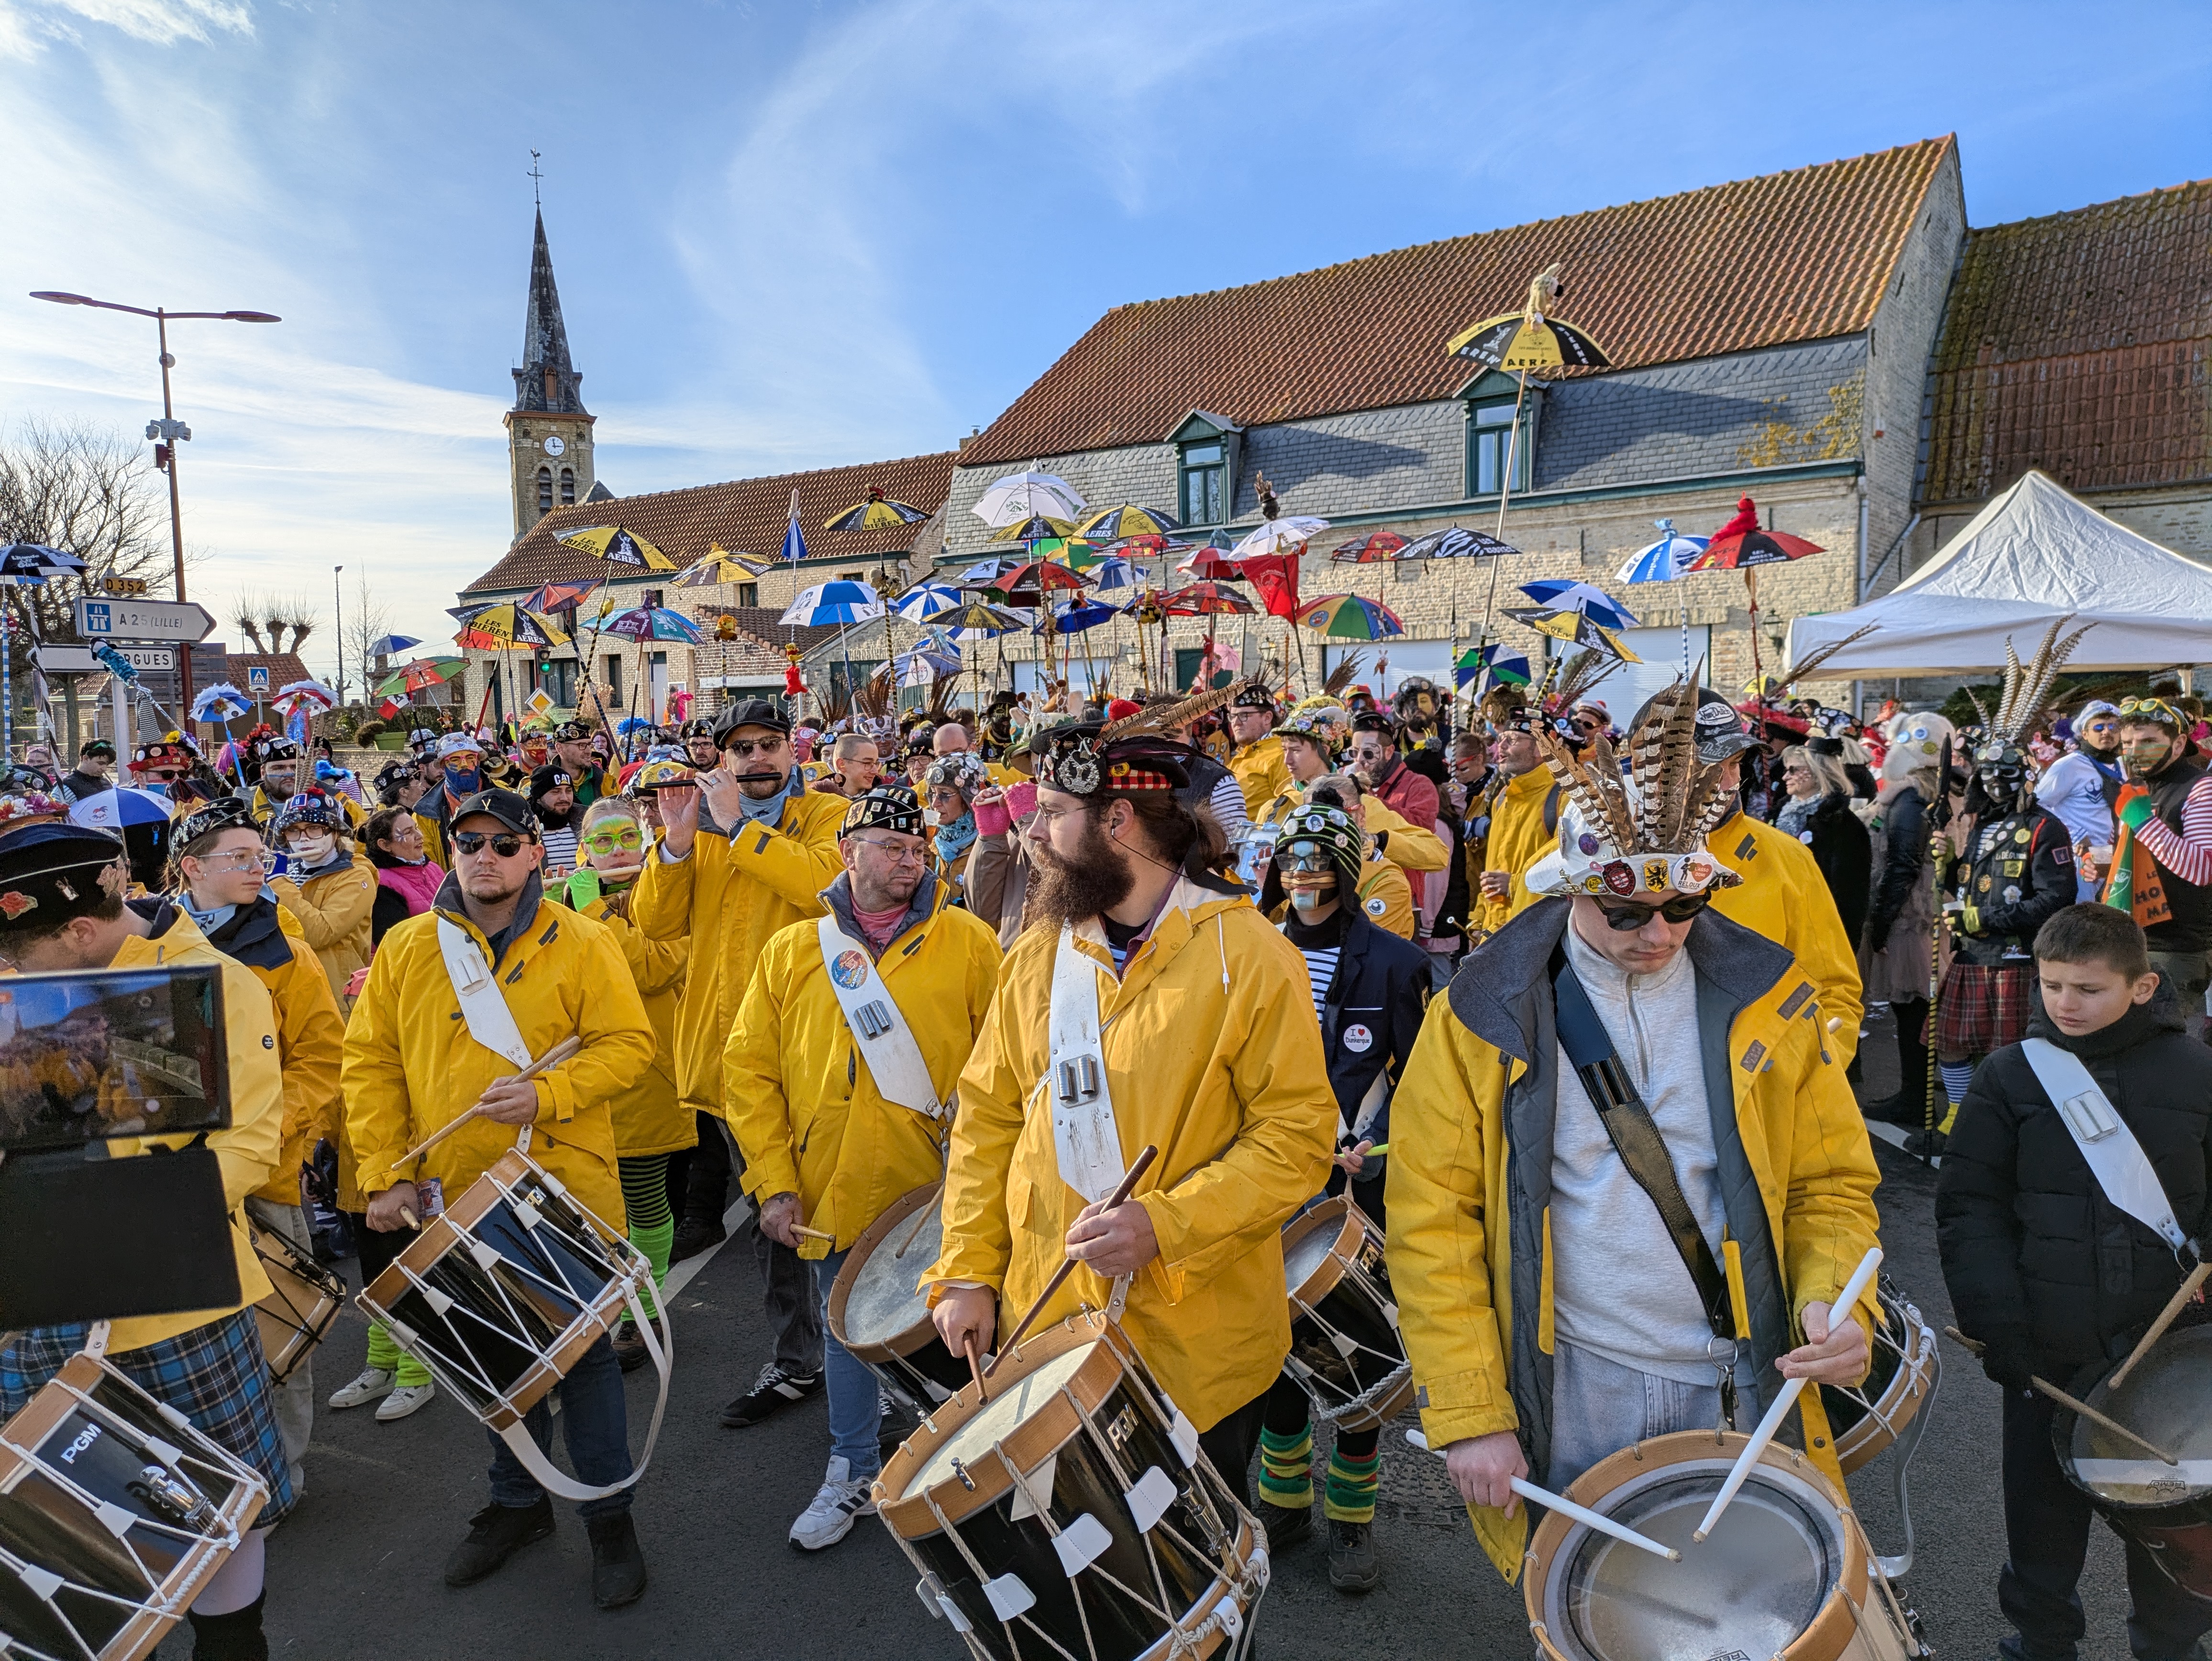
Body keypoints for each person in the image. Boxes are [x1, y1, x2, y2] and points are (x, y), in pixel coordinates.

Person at [1387, 687, 1882, 1584]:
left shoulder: (1773, 999)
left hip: (1745, 1372)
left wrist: (1836, 1300)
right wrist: (1470, 1411)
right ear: (1570, 888)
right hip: (1572, 1380)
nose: (1657, 934)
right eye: (1624, 913)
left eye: (1681, 907)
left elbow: (1829, 1183)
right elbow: (1433, 1223)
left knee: (1750, 1617)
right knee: (1593, 1618)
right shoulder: (1474, 1016)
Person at [926, 720, 1337, 1533]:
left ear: (1117, 820)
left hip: (1197, 1351)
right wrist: (966, 1270)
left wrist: (1164, 1224)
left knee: (1195, 1565)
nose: (1032, 834)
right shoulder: (1038, 952)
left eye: (1052, 814)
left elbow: (1295, 1140)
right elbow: (987, 1120)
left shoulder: (1251, 956)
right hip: (1047, 1335)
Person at [344, 787, 657, 1609]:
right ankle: (517, 1504)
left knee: (584, 1361)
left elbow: (630, 1047)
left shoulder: (583, 941)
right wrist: (383, 1172)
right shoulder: (408, 946)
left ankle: (609, 1519)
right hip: (453, 1189)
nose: (486, 856)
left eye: (504, 843)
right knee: (493, 1359)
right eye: (470, 842)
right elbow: (371, 1064)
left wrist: (548, 1094)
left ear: (533, 854)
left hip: (561, 1188)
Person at [0, 823, 293, 1661]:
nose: (10, 970)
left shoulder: (216, 982)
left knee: (217, 1506)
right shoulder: (19, 986)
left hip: (174, 1297)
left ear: (78, 930)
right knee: (63, 1521)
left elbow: (250, 1144)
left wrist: (117, 1219)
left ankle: (233, 1644)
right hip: (35, 1301)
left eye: (19, 953)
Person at [725, 786, 1003, 1548]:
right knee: (846, 1330)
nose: (910, 861)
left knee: (964, 1331)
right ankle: (852, 1468)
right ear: (849, 852)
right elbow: (749, 1073)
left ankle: (975, 1469)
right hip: (830, 1183)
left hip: (941, 1183)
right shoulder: (793, 950)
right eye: (892, 847)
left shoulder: (968, 940)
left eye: (918, 849)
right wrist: (774, 1183)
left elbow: (1009, 1058)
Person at [1936, 904, 2212, 1661]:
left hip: (2168, 1346)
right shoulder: (2009, 1075)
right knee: (2041, 1516)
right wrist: (1997, 1321)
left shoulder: (2197, 1073)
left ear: (2143, 987)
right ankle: (2041, 1640)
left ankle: (2170, 1645)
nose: (2065, 1003)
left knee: (2173, 1509)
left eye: (2088, 989)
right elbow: (1971, 1208)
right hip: (2045, 1340)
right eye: (2052, 985)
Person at [629, 698, 847, 1428]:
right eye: (742, 748)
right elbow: (655, 924)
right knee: (769, 1218)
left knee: (838, 1209)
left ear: (792, 752)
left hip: (813, 1054)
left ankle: (870, 1357)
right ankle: (797, 1360)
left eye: (769, 745)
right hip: (730, 1063)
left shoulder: (825, 814)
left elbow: (824, 888)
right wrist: (675, 844)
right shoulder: (704, 830)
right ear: (722, 759)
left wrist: (740, 828)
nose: (756, 758)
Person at [1250, 800, 1429, 1591]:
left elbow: (1420, 1079)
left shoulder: (1395, 963)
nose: (1303, 875)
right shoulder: (1251, 950)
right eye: (1291, 860)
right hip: (1266, 1185)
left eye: (1319, 861)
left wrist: (1376, 1145)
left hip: (1356, 1185)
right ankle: (1282, 1500)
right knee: (1273, 1356)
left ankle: (1352, 1521)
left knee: (1357, 1354)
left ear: (1348, 873)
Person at [171, 798, 347, 1485]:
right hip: (173, 1177)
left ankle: (283, 1474)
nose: (259, 868)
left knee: (281, 1329)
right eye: (240, 857)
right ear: (191, 868)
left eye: (261, 856)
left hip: (265, 1176)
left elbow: (322, 1060)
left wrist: (269, 1135)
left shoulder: (288, 953)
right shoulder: (146, 949)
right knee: (186, 1335)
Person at [559, 797, 693, 1371]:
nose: (617, 851)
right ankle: (602, 1307)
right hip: (578, 1072)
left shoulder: (671, 892)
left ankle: (647, 1310)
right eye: (602, 841)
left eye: (626, 838)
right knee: (586, 1203)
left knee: (642, 1196)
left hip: (649, 1070)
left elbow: (655, 968)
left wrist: (598, 914)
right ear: (584, 850)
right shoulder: (562, 899)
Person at [1933, 725, 2076, 1155]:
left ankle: (2009, 1130)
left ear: (2026, 776)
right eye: (1989, 772)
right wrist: (1949, 865)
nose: (1997, 781)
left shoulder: (2046, 827)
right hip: (1971, 955)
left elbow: (2056, 899)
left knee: (2009, 1054)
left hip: (2015, 959)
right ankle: (1960, 1115)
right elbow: (1971, 887)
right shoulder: (1981, 822)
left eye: (2007, 773)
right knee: (1951, 1042)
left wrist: (1985, 918)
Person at [1860, 718, 1951, 1128]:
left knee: (1912, 1008)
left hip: (1911, 919)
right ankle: (1920, 1090)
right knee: (1920, 1008)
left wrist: (1880, 924)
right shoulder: (1935, 795)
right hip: (1927, 914)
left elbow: (1902, 865)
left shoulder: (1911, 800)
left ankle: (1916, 1098)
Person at [2109, 696, 2212, 1035]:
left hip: (2179, 946)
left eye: (2148, 741)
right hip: (2135, 938)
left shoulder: (2202, 788)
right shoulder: (2140, 787)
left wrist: (2143, 822)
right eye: (2128, 743)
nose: (2135, 751)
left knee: (2165, 1043)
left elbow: (2203, 870)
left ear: (2179, 744)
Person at [270, 786, 376, 1012]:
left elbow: (321, 934)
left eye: (314, 828)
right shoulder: (287, 873)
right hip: (290, 990)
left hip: (335, 997)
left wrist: (278, 883)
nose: (303, 839)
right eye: (293, 831)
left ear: (335, 832)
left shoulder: (356, 875)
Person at [1777, 740, 1872, 950]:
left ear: (1817, 771)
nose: (1785, 777)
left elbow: (1849, 897)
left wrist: (1841, 949)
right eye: (1786, 770)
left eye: (1793, 770)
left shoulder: (1841, 824)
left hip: (1814, 933)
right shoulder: (1779, 813)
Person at [1473, 693, 1553, 938]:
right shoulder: (1503, 797)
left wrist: (1515, 884)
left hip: (1536, 935)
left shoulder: (1563, 799)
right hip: (1492, 934)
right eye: (1502, 739)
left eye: (1514, 739)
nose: (1502, 747)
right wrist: (1478, 920)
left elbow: (1573, 871)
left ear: (1541, 748)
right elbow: (1492, 871)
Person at [2034, 699, 2124, 876]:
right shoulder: (2069, 765)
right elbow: (2038, 804)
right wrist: (2077, 836)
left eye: (2113, 727)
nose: (2107, 732)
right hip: (2085, 857)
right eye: (2099, 727)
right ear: (2084, 734)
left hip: (2118, 854)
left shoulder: (2122, 765)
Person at [363, 804, 445, 952]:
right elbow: (397, 945)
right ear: (385, 845)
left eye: (416, 828)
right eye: (408, 832)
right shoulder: (381, 884)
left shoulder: (433, 868)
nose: (420, 836)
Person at [922, 750, 987, 902]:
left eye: (945, 794)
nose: (935, 803)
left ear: (967, 797)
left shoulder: (990, 842)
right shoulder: (927, 840)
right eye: (933, 793)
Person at [1225, 683, 1290, 819]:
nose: (1236, 723)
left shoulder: (1281, 754)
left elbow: (1289, 808)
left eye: (1244, 715)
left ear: (1267, 718)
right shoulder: (1243, 753)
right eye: (1233, 716)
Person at [531, 764, 583, 878]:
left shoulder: (585, 820)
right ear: (538, 797)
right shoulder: (524, 826)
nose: (564, 798)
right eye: (556, 792)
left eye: (569, 791)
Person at [552, 719, 614, 807]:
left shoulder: (606, 781)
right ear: (560, 748)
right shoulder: (544, 783)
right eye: (581, 745)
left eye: (589, 745)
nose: (589, 751)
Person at [812, 732, 879, 797]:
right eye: (868, 763)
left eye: (876, 763)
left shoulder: (881, 794)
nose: (875, 772)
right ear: (842, 765)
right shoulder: (817, 796)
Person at [55, 736, 116, 803]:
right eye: (101, 763)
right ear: (86, 759)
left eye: (107, 765)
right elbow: (52, 809)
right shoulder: (65, 787)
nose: (105, 769)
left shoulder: (106, 783)